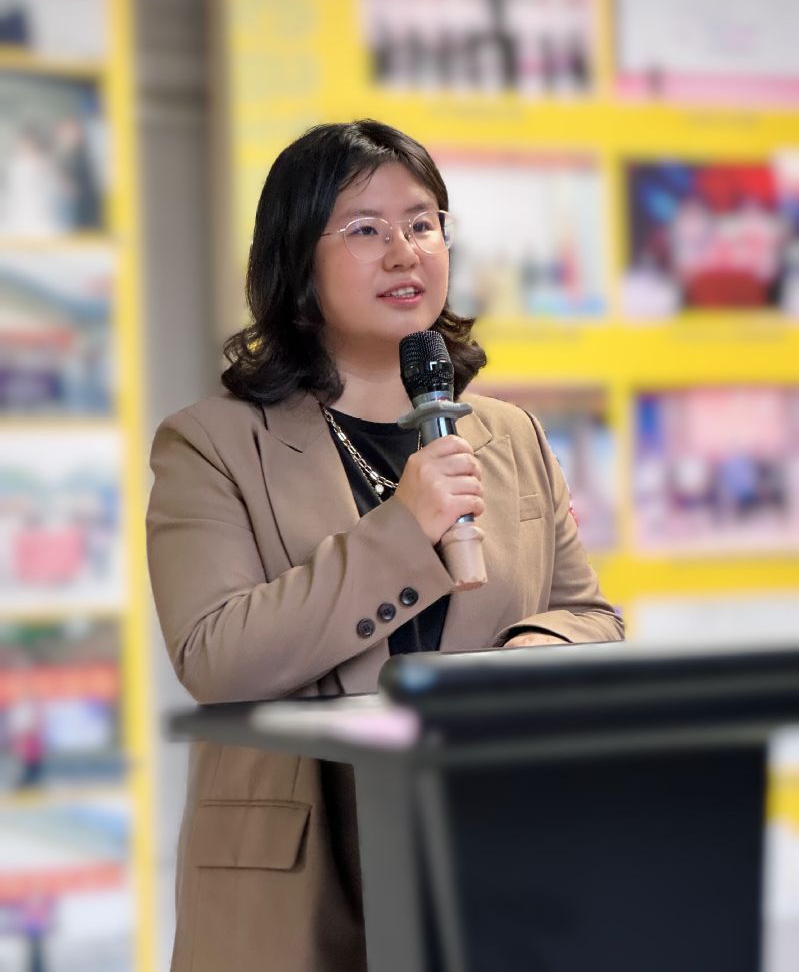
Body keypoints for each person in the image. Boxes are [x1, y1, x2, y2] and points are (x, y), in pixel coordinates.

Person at [146, 119, 623, 972]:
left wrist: (505, 673)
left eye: (422, 223)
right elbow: (214, 655)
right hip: (298, 875)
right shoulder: (211, 444)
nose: (405, 252)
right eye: (365, 229)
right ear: (297, 259)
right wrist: (403, 531)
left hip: (485, 849)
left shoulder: (508, 434)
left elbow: (588, 618)